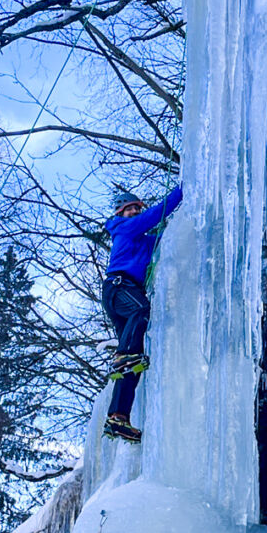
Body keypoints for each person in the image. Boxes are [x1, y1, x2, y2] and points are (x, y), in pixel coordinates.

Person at [102, 185, 183, 442]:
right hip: (119, 288)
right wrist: (183, 189)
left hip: (125, 292)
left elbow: (162, 236)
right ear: (121, 213)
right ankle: (122, 355)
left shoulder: (142, 240)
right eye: (130, 209)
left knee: (134, 363)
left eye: (137, 208)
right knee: (142, 311)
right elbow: (157, 214)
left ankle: (118, 417)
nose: (135, 211)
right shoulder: (124, 228)